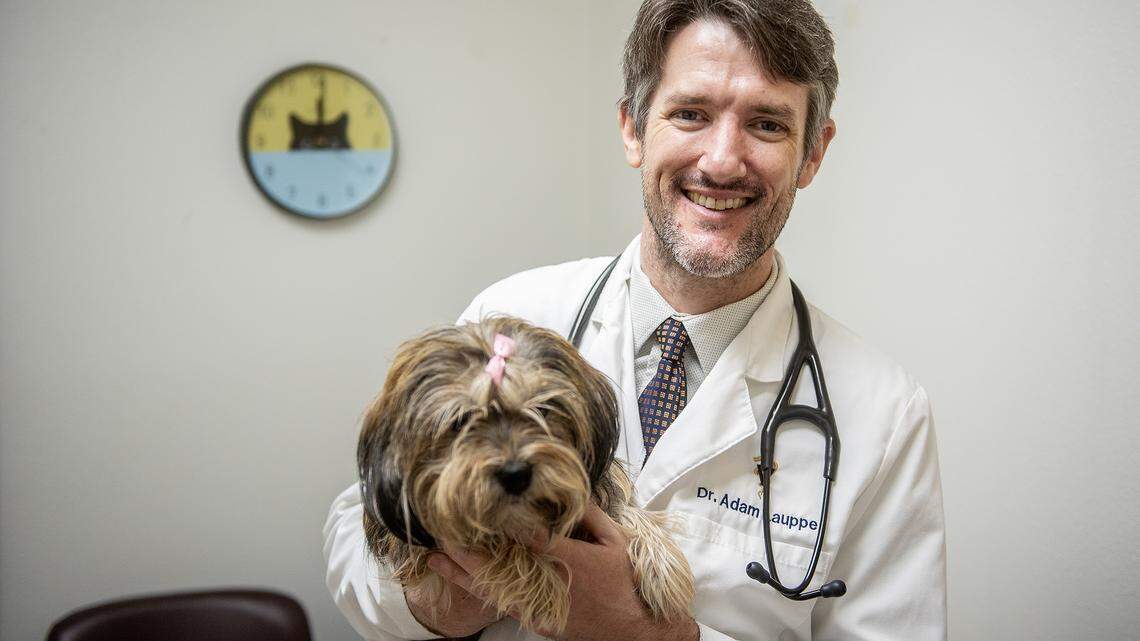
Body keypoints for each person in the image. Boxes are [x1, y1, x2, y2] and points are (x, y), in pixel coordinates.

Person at [323, 1, 947, 639]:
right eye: (690, 114)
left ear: (813, 152)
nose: (723, 161)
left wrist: (656, 636)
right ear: (632, 127)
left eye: (766, 124)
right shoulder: (508, 319)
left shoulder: (885, 415)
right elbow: (359, 535)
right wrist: (440, 601)